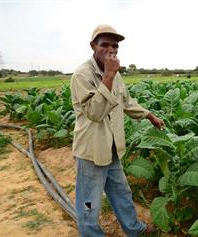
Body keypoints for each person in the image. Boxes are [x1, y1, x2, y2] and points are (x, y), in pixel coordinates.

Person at [70, 24, 164, 237]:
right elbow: (95, 112)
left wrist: (149, 116)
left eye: (115, 46)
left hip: (112, 148)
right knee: (88, 203)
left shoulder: (115, 74)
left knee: (122, 192)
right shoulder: (81, 75)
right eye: (105, 45)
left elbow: (126, 101)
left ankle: (134, 228)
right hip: (92, 152)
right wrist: (109, 77)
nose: (111, 50)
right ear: (93, 46)